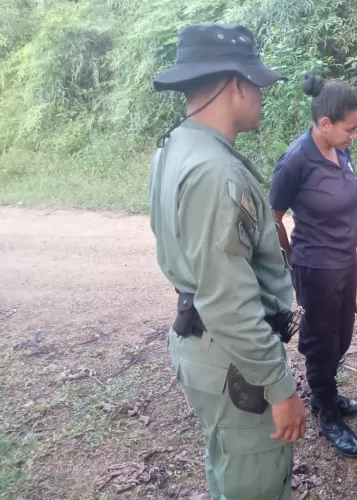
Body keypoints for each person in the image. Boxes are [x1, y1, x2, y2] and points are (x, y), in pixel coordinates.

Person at [147, 23, 306, 500]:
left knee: (229, 467)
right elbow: (228, 300)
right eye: (256, 83)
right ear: (236, 83)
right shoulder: (216, 172)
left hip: (205, 345)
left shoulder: (175, 146)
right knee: (254, 481)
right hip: (232, 359)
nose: (260, 93)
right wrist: (280, 389)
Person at [268, 73, 357, 457]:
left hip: (345, 261)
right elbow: (273, 216)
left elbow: (350, 194)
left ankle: (328, 392)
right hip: (315, 268)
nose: (354, 136)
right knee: (320, 343)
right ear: (325, 124)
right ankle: (326, 412)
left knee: (342, 335)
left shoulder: (339, 151)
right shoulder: (296, 160)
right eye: (351, 128)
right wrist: (290, 260)